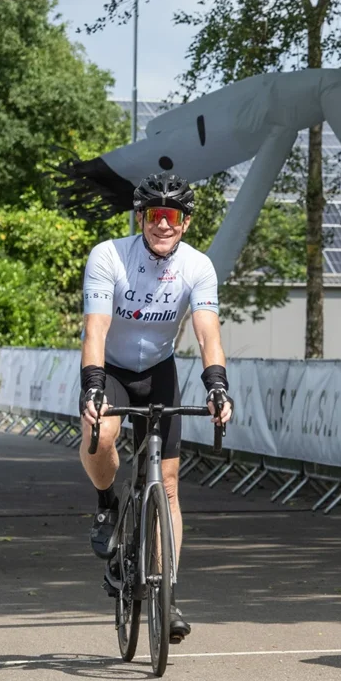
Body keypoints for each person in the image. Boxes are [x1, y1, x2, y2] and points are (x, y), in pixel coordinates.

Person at [78, 172, 231, 645]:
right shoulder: (109, 256)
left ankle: (167, 593)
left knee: (168, 484)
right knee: (101, 436)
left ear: (185, 222)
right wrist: (93, 387)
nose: (163, 224)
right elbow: (96, 328)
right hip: (113, 368)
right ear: (141, 217)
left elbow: (207, 332)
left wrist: (217, 385)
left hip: (158, 370)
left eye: (172, 215)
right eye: (154, 214)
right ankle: (107, 503)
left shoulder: (198, 266)